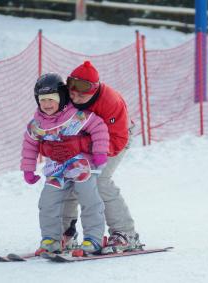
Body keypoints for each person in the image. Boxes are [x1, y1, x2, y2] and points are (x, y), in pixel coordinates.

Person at [40, 61, 142, 253]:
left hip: (113, 139)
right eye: (73, 93)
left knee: (99, 180)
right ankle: (66, 234)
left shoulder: (111, 102)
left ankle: (124, 234)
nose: (76, 98)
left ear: (94, 90)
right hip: (78, 138)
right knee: (67, 178)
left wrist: (81, 145)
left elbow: (118, 139)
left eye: (82, 95)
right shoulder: (66, 96)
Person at [20, 73, 110, 255]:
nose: (46, 104)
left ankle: (94, 237)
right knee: (47, 202)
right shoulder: (37, 124)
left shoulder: (77, 117)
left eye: (51, 99)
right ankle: (51, 239)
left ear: (62, 97)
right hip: (56, 169)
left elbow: (99, 127)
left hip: (80, 166)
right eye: (42, 100)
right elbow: (29, 146)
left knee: (88, 198)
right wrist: (28, 170)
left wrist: (100, 151)